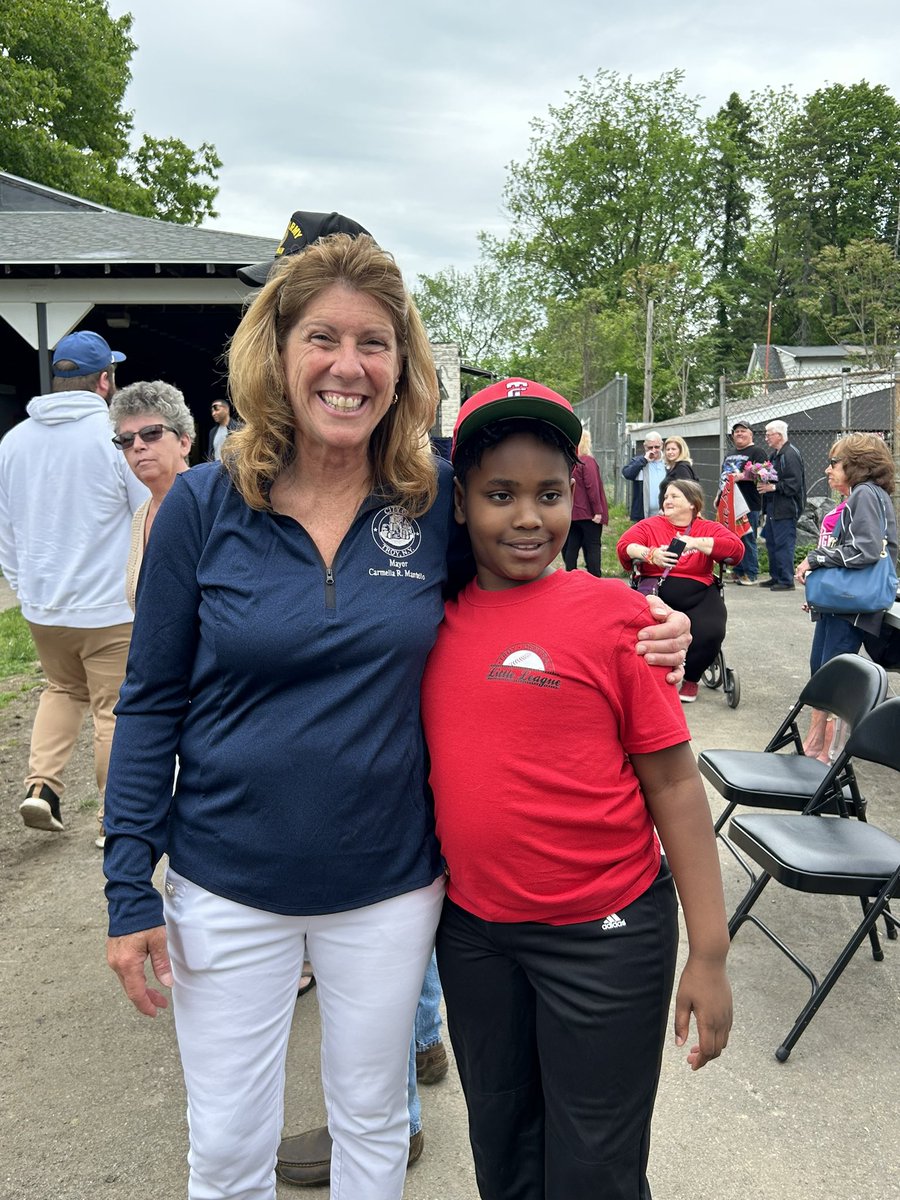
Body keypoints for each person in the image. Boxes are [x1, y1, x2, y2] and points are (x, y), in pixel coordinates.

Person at [100, 230, 695, 1200]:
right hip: (224, 886)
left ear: (402, 365)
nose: (348, 366)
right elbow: (151, 700)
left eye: (375, 342)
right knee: (227, 1150)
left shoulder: (428, 508)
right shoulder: (204, 506)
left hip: (387, 888)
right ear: (277, 355)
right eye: (324, 339)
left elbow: (533, 579)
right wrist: (130, 887)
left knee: (373, 1130)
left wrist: (647, 619)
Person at [422, 379, 732, 1200]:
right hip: (478, 937)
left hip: (607, 935)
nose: (528, 517)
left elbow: (673, 783)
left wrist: (709, 952)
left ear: (576, 497)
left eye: (549, 494)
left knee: (594, 1165)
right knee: (503, 1144)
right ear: (459, 506)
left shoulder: (620, 620)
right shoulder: (428, 617)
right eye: (500, 495)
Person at [0, 330, 148, 846]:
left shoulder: (12, 442)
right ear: (105, 381)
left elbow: (7, 528)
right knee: (114, 709)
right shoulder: (114, 439)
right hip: (108, 605)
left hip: (44, 606)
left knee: (61, 690)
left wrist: (25, 588)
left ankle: (42, 786)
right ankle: (115, 819)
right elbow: (145, 511)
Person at [795, 434, 898, 760]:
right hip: (846, 601)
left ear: (857, 466)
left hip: (851, 604)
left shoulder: (865, 494)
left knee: (833, 671)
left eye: (835, 463)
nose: (828, 470)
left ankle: (824, 750)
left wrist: (817, 559)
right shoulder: (872, 495)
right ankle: (819, 743)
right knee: (823, 666)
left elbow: (865, 550)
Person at [618, 480, 745, 703]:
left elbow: (736, 550)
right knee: (644, 632)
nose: (668, 500)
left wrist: (695, 543)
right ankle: (651, 679)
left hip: (700, 592)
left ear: (692, 504)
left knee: (711, 630)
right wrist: (651, 554)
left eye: (675, 496)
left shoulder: (707, 528)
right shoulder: (650, 525)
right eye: (666, 496)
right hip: (657, 591)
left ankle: (691, 678)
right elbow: (625, 546)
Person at [109, 381, 196, 612]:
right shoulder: (141, 516)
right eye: (126, 440)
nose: (137, 445)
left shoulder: (212, 507)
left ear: (184, 442)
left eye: (151, 433)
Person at [759, 419, 805, 590]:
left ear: (779, 435)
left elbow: (794, 484)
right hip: (774, 506)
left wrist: (772, 487)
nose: (766, 438)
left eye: (769, 435)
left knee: (783, 543)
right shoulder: (775, 455)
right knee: (771, 542)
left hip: (786, 508)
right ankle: (776, 576)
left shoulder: (790, 455)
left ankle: (786, 580)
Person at [720, 421, 767, 586]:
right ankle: (738, 570)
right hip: (730, 504)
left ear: (751, 434)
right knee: (733, 537)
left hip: (749, 503)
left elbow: (765, 474)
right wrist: (719, 497)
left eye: (743, 431)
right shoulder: (730, 453)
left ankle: (751, 572)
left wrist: (744, 476)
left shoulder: (757, 452)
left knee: (747, 537)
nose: (739, 434)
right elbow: (724, 478)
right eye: (736, 431)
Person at [561, 429, 608, 576]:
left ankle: (570, 575)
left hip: (573, 513)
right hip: (588, 513)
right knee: (593, 546)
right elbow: (592, 486)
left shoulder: (570, 461)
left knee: (572, 546)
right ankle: (595, 577)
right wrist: (598, 510)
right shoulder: (587, 461)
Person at [622, 430, 665, 520]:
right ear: (645, 447)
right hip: (644, 514)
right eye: (650, 447)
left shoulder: (668, 462)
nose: (653, 450)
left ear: (662, 445)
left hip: (666, 512)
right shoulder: (639, 462)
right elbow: (627, 473)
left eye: (657, 447)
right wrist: (644, 460)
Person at [658, 435, 698, 509]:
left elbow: (687, 492)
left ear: (681, 450)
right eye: (668, 449)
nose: (670, 452)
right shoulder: (673, 467)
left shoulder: (681, 468)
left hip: (677, 512)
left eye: (673, 449)